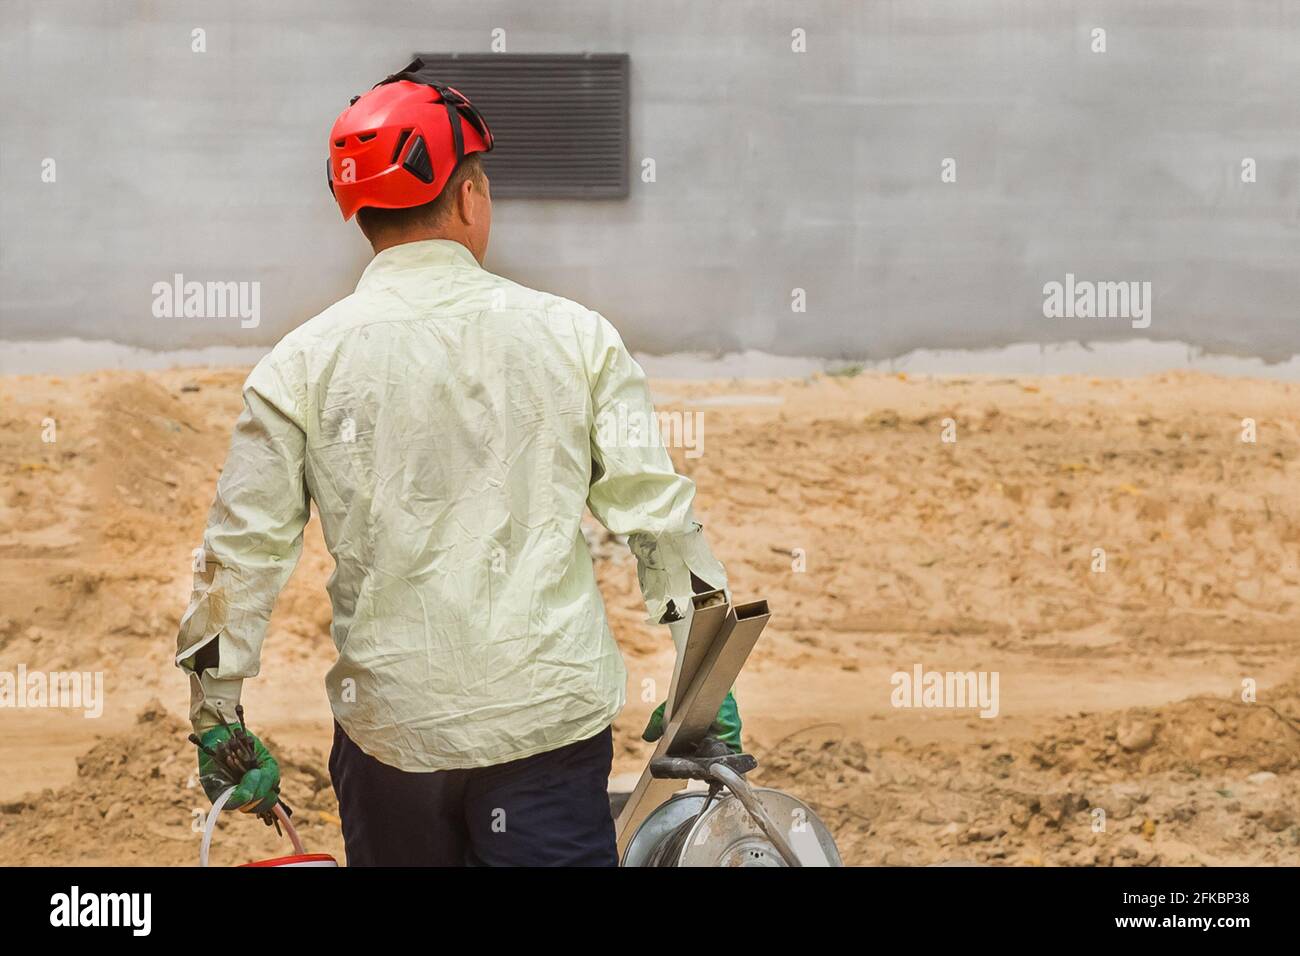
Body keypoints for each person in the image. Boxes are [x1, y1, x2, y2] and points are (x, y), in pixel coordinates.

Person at [175, 58, 739, 867]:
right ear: (470, 196)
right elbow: (659, 521)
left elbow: (239, 554)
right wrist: (705, 680)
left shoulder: (300, 364)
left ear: (359, 213)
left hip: (392, 734)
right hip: (546, 724)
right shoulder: (577, 338)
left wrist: (218, 720)